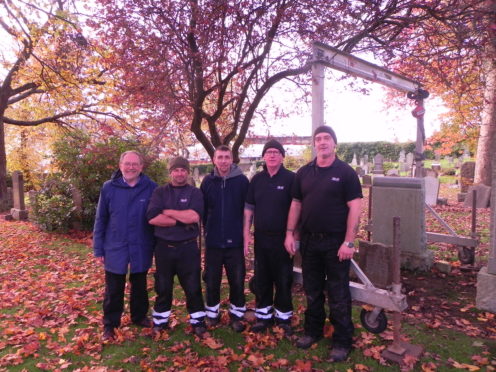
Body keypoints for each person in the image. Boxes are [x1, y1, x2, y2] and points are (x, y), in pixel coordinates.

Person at [284, 126, 362, 362]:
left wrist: (349, 241)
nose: (322, 142)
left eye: (326, 138)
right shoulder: (304, 172)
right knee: (312, 291)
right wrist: (290, 233)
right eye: (318, 139)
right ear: (314, 144)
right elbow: (296, 204)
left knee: (338, 294)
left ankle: (342, 341)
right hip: (309, 242)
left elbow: (355, 207)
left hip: (336, 243)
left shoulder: (346, 173)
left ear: (334, 143)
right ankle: (313, 331)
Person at [93, 150, 157, 341]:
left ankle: (138, 316)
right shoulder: (108, 188)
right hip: (115, 245)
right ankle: (110, 324)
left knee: (139, 284)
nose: (130, 167)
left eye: (134, 164)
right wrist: (98, 248)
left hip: (141, 244)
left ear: (141, 167)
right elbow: (101, 219)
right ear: (120, 166)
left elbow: (156, 217)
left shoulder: (151, 187)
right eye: (127, 164)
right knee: (114, 288)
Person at [146, 156, 207, 337]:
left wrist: (167, 212)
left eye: (183, 170)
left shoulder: (195, 193)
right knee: (163, 286)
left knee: (193, 286)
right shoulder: (160, 192)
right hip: (164, 247)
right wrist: (180, 220)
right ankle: (161, 321)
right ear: (170, 172)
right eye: (176, 170)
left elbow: (194, 217)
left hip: (188, 248)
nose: (179, 173)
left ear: (187, 172)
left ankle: (197, 321)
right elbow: (152, 218)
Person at [244, 139, 295, 336]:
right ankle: (263, 316)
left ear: (282, 156)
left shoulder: (291, 179)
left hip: (283, 239)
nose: (272, 155)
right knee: (262, 278)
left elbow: (296, 207)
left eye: (276, 152)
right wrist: (246, 234)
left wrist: (293, 235)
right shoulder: (257, 180)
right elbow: (249, 209)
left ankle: (283, 318)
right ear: (264, 156)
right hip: (261, 239)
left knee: (283, 279)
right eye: (269, 152)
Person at [200, 145, 249, 332]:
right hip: (213, 241)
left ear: (232, 159)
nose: (223, 161)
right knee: (212, 280)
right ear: (214, 159)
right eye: (219, 157)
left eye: (226, 157)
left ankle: (236, 314)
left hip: (235, 241)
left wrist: (245, 233)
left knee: (237, 279)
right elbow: (203, 210)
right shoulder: (207, 182)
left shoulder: (242, 182)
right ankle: (212, 314)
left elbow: (248, 210)